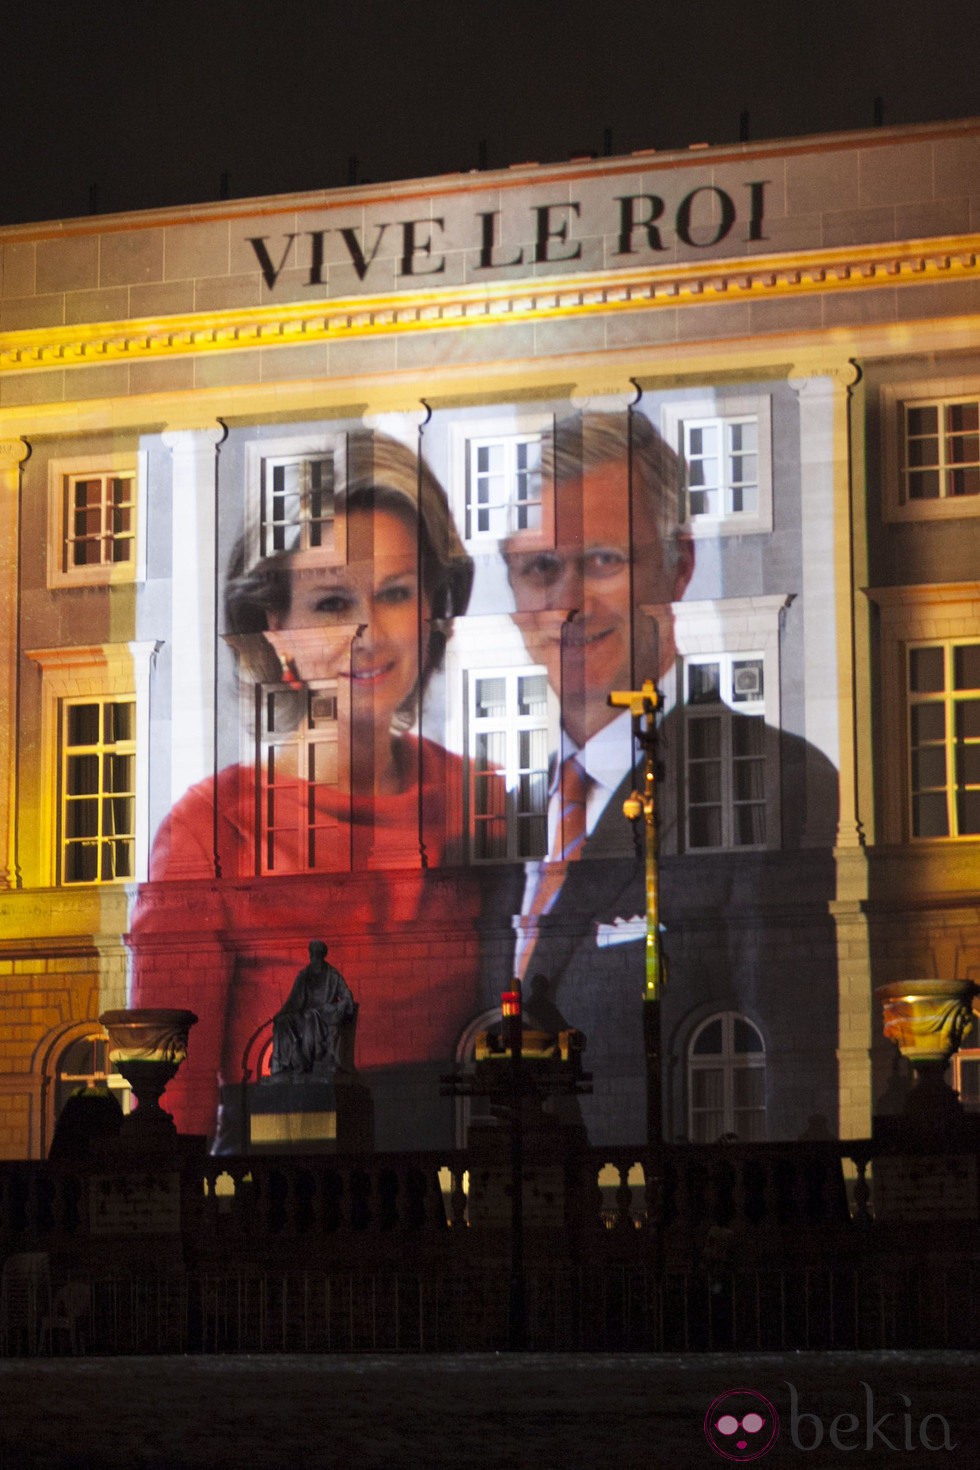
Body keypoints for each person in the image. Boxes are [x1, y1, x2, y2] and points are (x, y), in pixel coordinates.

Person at [484, 409, 839, 1145]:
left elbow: (796, 1075)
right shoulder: (492, 825)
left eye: (605, 561)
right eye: (542, 568)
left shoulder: (770, 779)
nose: (569, 602)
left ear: (678, 563)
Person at [129, 431, 481, 1146]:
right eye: (328, 603)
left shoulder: (483, 799)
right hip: (284, 1205)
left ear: (433, 613)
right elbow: (175, 1109)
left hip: (452, 1215)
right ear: (276, 630)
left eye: (394, 594)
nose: (366, 633)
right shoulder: (209, 831)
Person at [271, 940, 354, 1078]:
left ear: (322, 956)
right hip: (301, 1014)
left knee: (310, 1017)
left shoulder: (333, 975)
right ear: (310, 955)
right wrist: (281, 1014)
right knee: (282, 1023)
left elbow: (347, 996)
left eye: (318, 955)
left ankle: (305, 1063)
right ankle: (287, 1062)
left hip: (321, 1015)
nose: (315, 958)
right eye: (313, 955)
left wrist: (340, 1005)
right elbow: (293, 1000)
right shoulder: (303, 975)